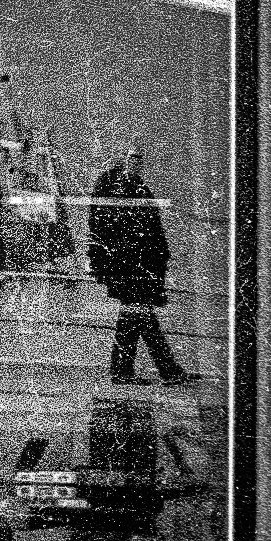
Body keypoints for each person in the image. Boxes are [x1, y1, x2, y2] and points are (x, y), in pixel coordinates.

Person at [86, 140, 190, 386]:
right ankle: (165, 370)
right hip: (130, 264)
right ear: (122, 158)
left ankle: (133, 370)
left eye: (140, 158)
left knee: (134, 316)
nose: (137, 162)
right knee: (139, 314)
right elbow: (114, 227)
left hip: (134, 263)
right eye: (133, 157)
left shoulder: (132, 187)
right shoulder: (117, 187)